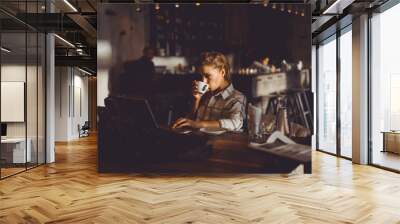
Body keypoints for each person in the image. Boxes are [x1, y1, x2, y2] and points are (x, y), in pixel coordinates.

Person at [172, 52, 246, 131]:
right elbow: (191, 122)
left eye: (207, 76)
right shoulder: (205, 95)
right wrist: (196, 100)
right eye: (202, 76)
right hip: (198, 139)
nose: (203, 81)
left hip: (219, 142)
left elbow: (236, 123)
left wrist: (199, 124)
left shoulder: (237, 98)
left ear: (222, 72)